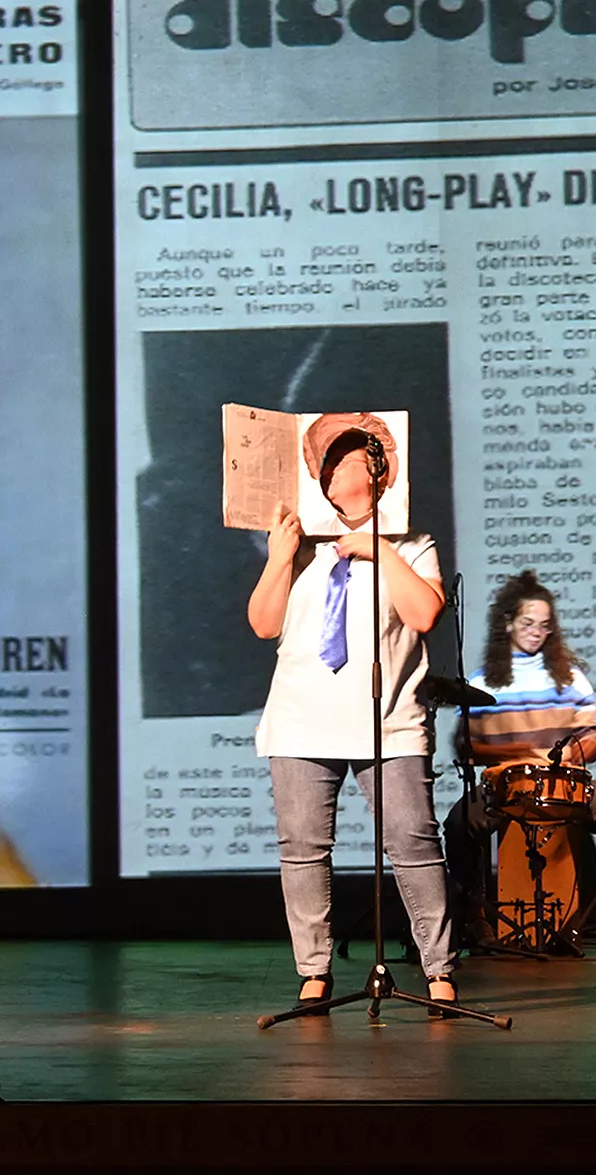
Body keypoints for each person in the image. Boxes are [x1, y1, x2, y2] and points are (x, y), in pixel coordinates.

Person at [247, 412, 460, 1014]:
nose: (337, 468)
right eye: (329, 459)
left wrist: (378, 550)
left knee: (413, 842)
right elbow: (264, 624)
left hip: (386, 718)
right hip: (300, 717)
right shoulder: (302, 545)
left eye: (350, 457)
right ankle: (313, 972)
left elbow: (423, 615)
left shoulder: (413, 543)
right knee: (303, 846)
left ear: (378, 469)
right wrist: (278, 556)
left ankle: (438, 971)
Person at [445, 570, 596, 944]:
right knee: (458, 826)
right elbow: (466, 748)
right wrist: (522, 754)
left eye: (544, 625)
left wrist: (570, 752)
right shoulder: (482, 682)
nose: (537, 631)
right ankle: (473, 919)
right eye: (528, 623)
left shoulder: (570, 679)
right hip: (504, 786)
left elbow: (592, 741)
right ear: (507, 623)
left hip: (566, 783)